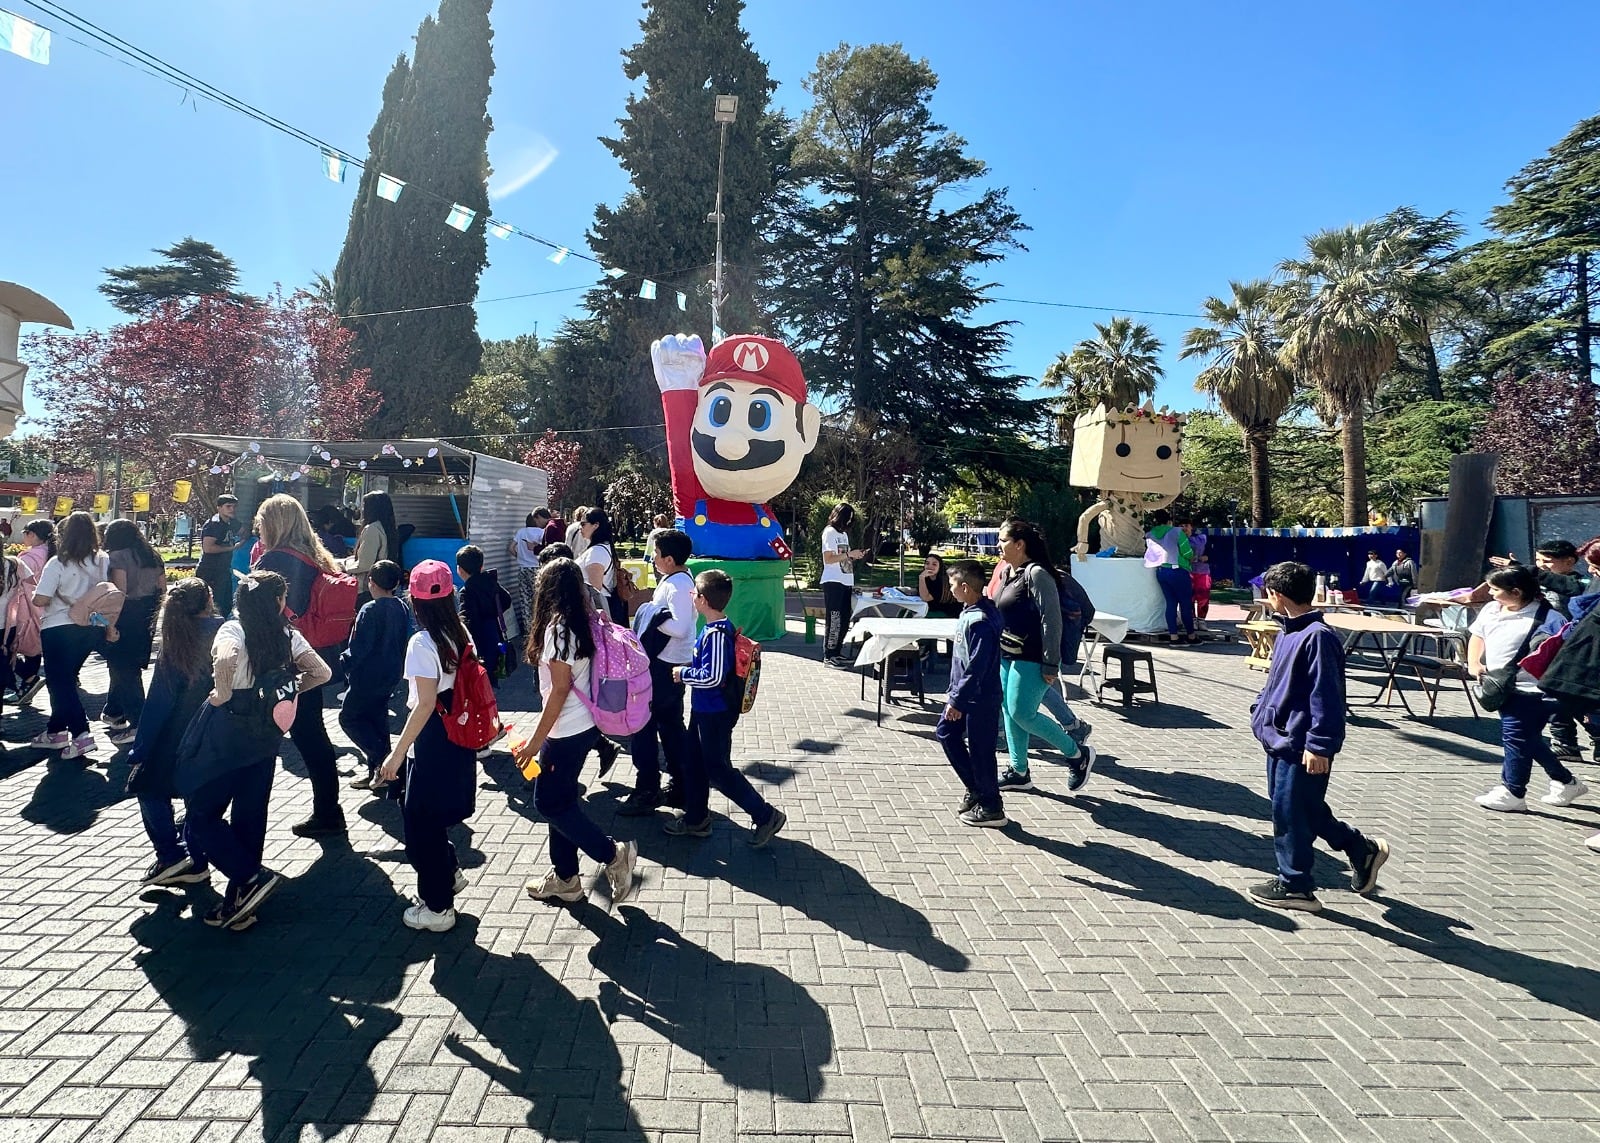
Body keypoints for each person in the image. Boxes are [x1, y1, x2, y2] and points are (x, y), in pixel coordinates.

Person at [181, 571, 331, 930]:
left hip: (228, 730)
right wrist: (293, 689)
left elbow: (225, 660)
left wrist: (222, 692)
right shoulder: (288, 636)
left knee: (201, 813)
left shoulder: (233, 630)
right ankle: (240, 899)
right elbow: (322, 672)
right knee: (251, 814)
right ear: (278, 601)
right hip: (266, 733)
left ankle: (249, 877)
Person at [1247, 561, 1390, 911]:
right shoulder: (1288, 630)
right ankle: (1361, 848)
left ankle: (1295, 884)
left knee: (1290, 814)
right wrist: (1260, 710)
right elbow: (1277, 684)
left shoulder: (1318, 637)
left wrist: (1319, 745)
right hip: (1279, 738)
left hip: (1301, 744)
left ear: (1277, 596)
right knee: (1302, 808)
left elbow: (1326, 696)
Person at [515, 558, 638, 905]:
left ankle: (613, 856)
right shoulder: (584, 618)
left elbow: (559, 689)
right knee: (563, 800)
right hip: (585, 724)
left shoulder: (559, 629)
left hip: (565, 730)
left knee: (548, 802)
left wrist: (535, 741)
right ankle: (566, 878)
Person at [375, 561, 479, 932]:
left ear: (414, 601)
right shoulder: (460, 631)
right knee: (429, 821)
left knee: (419, 826)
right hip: (457, 735)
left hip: (431, 738)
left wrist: (397, 752)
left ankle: (438, 908)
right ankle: (448, 875)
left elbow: (423, 703)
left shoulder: (421, 642)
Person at [665, 569, 787, 845]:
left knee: (717, 769)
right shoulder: (713, 628)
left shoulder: (717, 634)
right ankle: (696, 819)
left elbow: (713, 677)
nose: (691, 595)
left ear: (704, 600)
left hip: (715, 713)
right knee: (694, 763)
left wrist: (683, 674)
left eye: (695, 592)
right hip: (704, 710)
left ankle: (765, 815)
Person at [252, 494, 347, 838]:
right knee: (312, 734)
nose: (258, 529)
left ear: (274, 524)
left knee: (300, 736)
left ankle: (327, 812)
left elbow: (261, 614)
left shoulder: (276, 558)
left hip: (284, 662)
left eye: (261, 522)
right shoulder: (315, 556)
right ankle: (328, 809)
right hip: (315, 655)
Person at [1468, 564, 1587, 813]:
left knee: (1515, 736)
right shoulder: (1492, 609)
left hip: (1535, 690)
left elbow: (1562, 655)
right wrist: (1474, 663)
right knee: (1526, 739)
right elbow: (1477, 636)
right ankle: (1565, 781)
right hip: (1499, 684)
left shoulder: (1551, 618)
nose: (1490, 594)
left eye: (1495, 589)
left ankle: (1513, 790)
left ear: (1516, 592)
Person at [127, 578, 221, 888]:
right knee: (199, 796)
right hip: (219, 728)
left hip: (178, 729)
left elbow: (159, 701)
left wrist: (140, 748)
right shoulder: (228, 630)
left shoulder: (177, 641)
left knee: (149, 786)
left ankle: (171, 853)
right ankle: (193, 850)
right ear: (210, 601)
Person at [993, 519, 1097, 795]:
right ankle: (1019, 771)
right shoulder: (1007, 573)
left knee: (1022, 713)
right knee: (1010, 712)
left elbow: (1051, 620)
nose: (998, 545)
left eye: (1002, 540)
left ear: (1020, 544)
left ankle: (1077, 755)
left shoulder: (1038, 574)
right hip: (1007, 655)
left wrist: (1051, 662)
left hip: (1034, 656)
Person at [619, 528, 696, 817]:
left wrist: (651, 613)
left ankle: (648, 789)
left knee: (644, 727)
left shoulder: (676, 585)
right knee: (671, 728)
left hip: (664, 669)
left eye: (656, 554)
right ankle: (680, 786)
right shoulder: (676, 580)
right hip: (668, 667)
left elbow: (681, 626)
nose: (652, 558)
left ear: (669, 558)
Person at [31, 511, 109, 759]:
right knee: (66, 679)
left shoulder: (57, 563)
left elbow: (41, 598)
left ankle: (81, 733)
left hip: (58, 626)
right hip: (89, 626)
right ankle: (55, 731)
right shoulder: (102, 560)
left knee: (60, 682)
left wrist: (35, 595)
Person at [937, 561, 1006, 827]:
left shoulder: (981, 621)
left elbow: (977, 666)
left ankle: (991, 806)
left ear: (965, 588)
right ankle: (977, 788)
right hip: (968, 695)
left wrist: (958, 700)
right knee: (947, 733)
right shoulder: (974, 610)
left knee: (981, 750)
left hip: (979, 697)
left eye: (953, 585)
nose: (950, 590)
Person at [341, 561, 408, 791]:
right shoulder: (401, 606)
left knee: (349, 718)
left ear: (371, 582)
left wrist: (342, 663)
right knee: (377, 720)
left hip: (366, 676)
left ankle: (382, 761)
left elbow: (359, 648)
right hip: (390, 674)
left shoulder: (369, 610)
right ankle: (379, 773)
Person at [101, 519, 167, 747]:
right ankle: (114, 710)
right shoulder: (152, 555)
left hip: (125, 612)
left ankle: (138, 721)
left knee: (122, 666)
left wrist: (110, 623)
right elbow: (163, 589)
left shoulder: (118, 556)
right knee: (127, 664)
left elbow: (120, 591)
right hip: (148, 612)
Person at [819, 502, 867, 667]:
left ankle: (837, 652)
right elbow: (829, 558)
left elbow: (843, 557)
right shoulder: (829, 532)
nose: (849, 522)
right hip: (833, 581)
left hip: (846, 579)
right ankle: (829, 655)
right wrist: (848, 554)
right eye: (848, 518)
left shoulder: (844, 535)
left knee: (845, 619)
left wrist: (854, 556)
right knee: (835, 619)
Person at [457, 544, 512, 685]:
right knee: (491, 674)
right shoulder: (491, 582)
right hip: (494, 632)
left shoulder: (466, 590)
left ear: (460, 570)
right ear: (481, 566)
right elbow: (506, 599)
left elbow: (467, 619)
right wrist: (493, 611)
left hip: (478, 639)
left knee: (478, 679)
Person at [11, 519, 52, 704]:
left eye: (25, 533)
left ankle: (29, 679)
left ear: (32, 534)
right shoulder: (52, 554)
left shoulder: (27, 558)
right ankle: (28, 685)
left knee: (12, 647)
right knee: (33, 648)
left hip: (27, 606)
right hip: (46, 606)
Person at [1147, 509, 1197, 643]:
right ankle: (1191, 636)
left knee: (1170, 603)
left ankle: (1173, 636)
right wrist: (1192, 557)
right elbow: (1187, 552)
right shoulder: (1176, 532)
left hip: (1161, 571)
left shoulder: (1150, 534)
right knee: (1185, 604)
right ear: (1169, 520)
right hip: (1178, 570)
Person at [343, 490, 400, 604]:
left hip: (367, 590)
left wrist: (346, 566)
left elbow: (365, 564)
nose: (361, 510)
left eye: (364, 506)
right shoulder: (388, 528)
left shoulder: (372, 529)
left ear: (372, 509)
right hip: (383, 588)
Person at [578, 507, 629, 626]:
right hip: (601, 606)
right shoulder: (602, 547)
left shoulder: (596, 552)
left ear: (595, 525)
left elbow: (595, 589)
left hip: (597, 610)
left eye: (583, 523)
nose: (580, 527)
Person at [197, 495, 244, 618]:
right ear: (219, 508)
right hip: (210, 571)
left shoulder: (231, 522)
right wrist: (232, 548)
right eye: (228, 506)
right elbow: (208, 548)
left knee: (226, 604)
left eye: (234, 506)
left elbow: (244, 531)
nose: (232, 509)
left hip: (223, 570)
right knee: (212, 605)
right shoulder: (214, 524)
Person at [507, 509, 551, 638]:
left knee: (525, 600)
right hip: (537, 569)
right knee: (539, 599)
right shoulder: (543, 533)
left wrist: (519, 557)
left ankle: (528, 632)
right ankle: (540, 630)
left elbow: (511, 548)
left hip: (522, 568)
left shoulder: (521, 532)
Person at [917, 554, 960, 619]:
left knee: (916, 616)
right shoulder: (926, 578)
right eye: (927, 563)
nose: (930, 566)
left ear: (940, 567)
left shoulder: (943, 581)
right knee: (905, 612)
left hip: (947, 612)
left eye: (934, 564)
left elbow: (925, 598)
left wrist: (921, 578)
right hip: (929, 608)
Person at [1186, 522, 1212, 625]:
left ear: (1191, 527)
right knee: (1188, 596)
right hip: (1187, 571)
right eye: (1181, 526)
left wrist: (1207, 557)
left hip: (1203, 571)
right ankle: (1191, 619)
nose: (1184, 528)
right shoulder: (1177, 539)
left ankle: (1201, 620)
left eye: (1186, 525)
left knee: (1203, 595)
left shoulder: (1202, 538)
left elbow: (1213, 552)